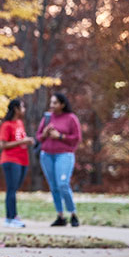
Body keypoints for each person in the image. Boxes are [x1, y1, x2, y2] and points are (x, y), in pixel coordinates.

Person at [36, 92, 82, 227]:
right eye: (51, 102)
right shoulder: (47, 118)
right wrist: (45, 133)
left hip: (64, 155)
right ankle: (60, 216)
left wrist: (60, 136)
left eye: (55, 103)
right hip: (46, 155)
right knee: (54, 186)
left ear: (62, 104)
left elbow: (77, 138)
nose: (52, 105)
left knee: (63, 184)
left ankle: (73, 213)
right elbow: (38, 138)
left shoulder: (71, 118)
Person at [0, 98, 31, 228]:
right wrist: (23, 142)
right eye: (22, 107)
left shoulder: (20, 123)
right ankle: (10, 218)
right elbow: (2, 144)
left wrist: (27, 141)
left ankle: (13, 216)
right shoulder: (7, 125)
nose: (24, 110)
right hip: (11, 160)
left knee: (15, 189)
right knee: (11, 189)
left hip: (23, 159)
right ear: (16, 109)